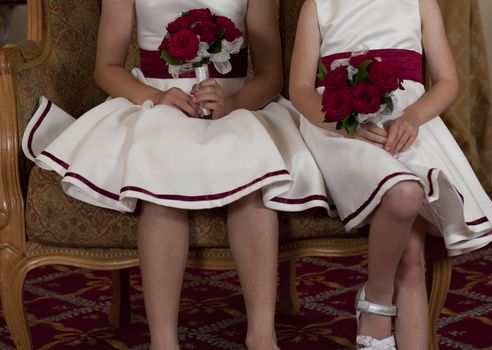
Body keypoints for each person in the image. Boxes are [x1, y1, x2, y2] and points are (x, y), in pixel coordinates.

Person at [21, 0, 332, 349]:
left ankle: (262, 334)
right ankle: (163, 340)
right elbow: (106, 67)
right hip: (156, 102)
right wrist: (154, 96)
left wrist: (232, 103)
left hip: (233, 104)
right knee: (161, 178)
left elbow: (270, 74)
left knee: (252, 177)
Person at [289, 0, 492, 349]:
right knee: (406, 193)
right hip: (342, 128)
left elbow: (447, 81)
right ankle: (376, 300)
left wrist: (413, 118)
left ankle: (381, 312)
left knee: (412, 256)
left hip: (407, 121)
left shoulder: (420, 1)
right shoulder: (317, 4)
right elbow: (300, 89)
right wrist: (345, 125)